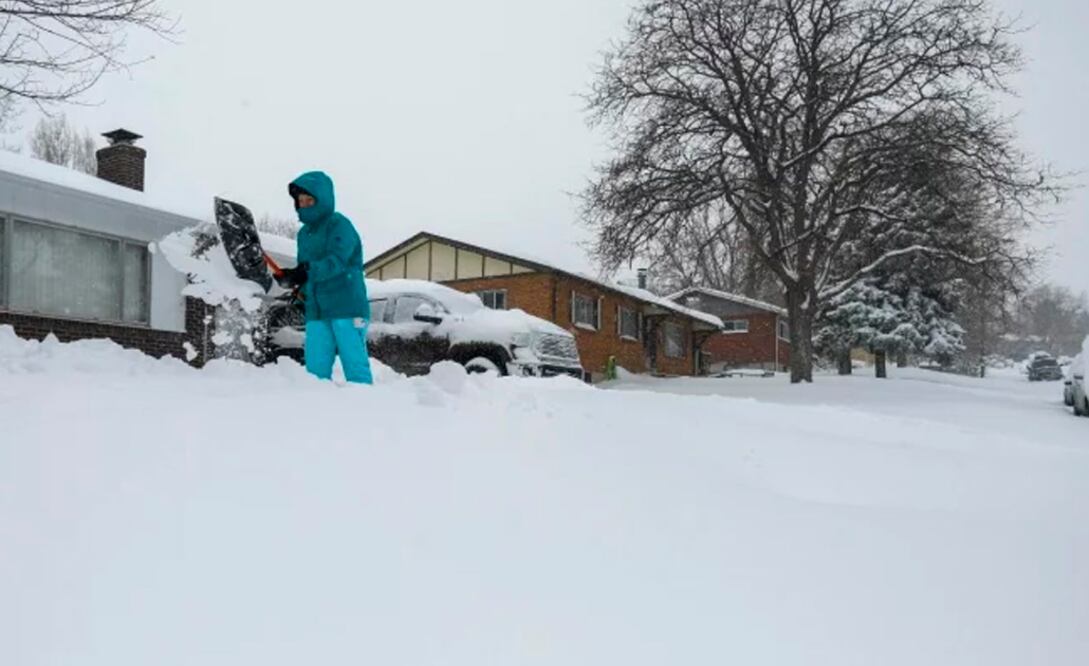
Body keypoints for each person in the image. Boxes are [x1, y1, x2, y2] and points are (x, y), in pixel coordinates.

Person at [277, 171, 373, 385]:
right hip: (317, 311)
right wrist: (295, 283)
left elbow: (337, 261)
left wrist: (306, 270)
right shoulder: (303, 235)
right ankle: (316, 414)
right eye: (301, 201)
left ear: (323, 199)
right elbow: (308, 271)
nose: (305, 205)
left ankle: (365, 412)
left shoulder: (339, 225)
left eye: (310, 200)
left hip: (347, 307)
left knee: (355, 367)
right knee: (315, 373)